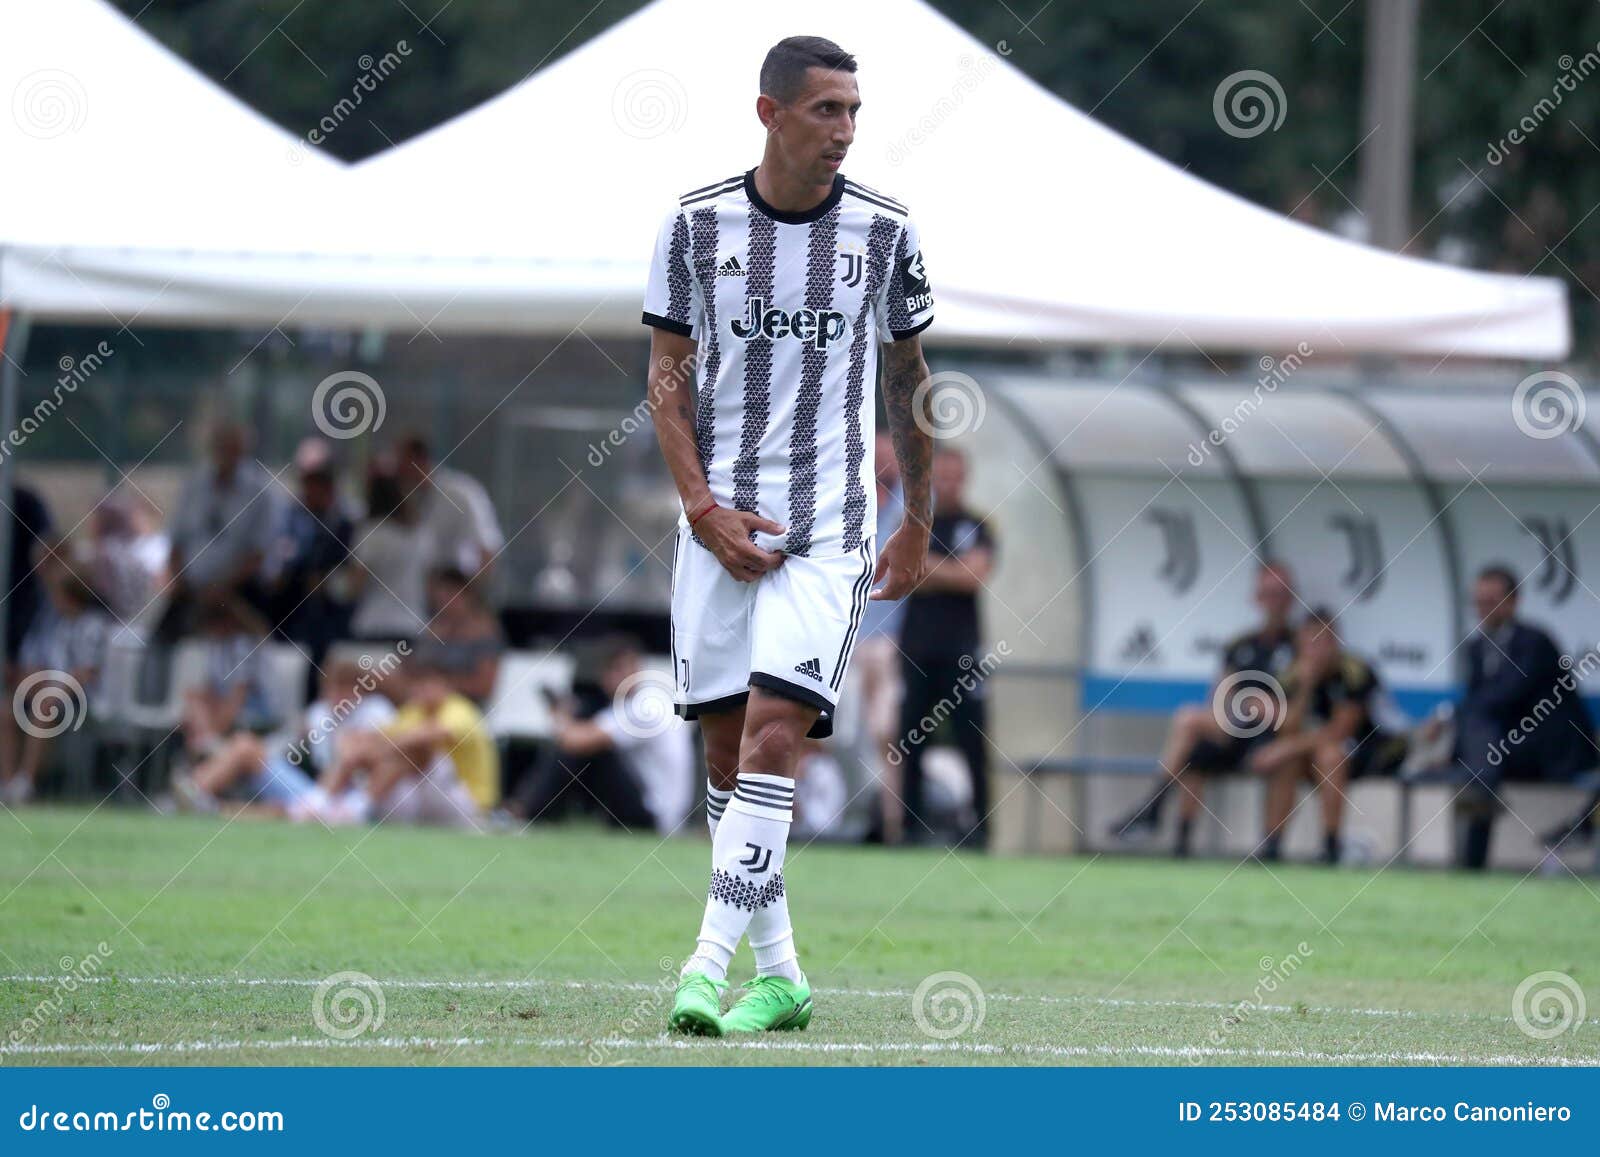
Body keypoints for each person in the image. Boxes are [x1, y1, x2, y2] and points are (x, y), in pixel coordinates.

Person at [643, 35, 936, 1036]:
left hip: (831, 528)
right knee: (727, 760)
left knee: (777, 734)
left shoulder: (886, 231)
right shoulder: (694, 224)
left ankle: (702, 966)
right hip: (718, 525)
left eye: (854, 110)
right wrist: (701, 509)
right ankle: (785, 976)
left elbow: (909, 383)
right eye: (825, 110)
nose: (845, 130)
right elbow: (665, 382)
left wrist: (918, 522)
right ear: (769, 114)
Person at [1110, 560, 1297, 857]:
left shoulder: (1300, 644)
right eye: (1269, 593)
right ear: (1257, 598)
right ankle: (1180, 842)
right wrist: (1248, 704)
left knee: (1190, 723)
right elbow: (1220, 697)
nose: (1275, 602)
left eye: (1282, 594)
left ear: (1291, 599)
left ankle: (1153, 809)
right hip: (1238, 730)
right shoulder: (1241, 645)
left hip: (1278, 737)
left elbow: (1299, 709)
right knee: (1193, 739)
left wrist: (1271, 710)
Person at [1435, 565, 1594, 869]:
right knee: (1482, 759)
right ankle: (1472, 856)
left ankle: (1471, 862)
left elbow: (1506, 696)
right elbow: (1480, 707)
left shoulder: (1535, 642)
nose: (1482, 609)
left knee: (1481, 756)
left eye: (1491, 600)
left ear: (1513, 602)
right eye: (1478, 601)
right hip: (1503, 749)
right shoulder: (1476, 647)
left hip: (1550, 749)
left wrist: (1449, 716)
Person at [896, 446, 995, 849]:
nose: (949, 483)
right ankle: (909, 829)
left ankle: (981, 830)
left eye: (956, 476)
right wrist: (946, 568)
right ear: (932, 479)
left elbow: (973, 576)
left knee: (972, 739)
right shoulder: (914, 525)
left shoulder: (977, 525)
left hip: (963, 652)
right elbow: (903, 569)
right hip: (916, 649)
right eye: (943, 476)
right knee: (910, 740)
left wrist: (928, 566)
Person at [1249, 608, 1404, 864]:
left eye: (1322, 641)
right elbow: (1288, 728)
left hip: (1374, 749)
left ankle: (1331, 845)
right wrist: (1306, 686)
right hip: (1314, 752)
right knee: (1287, 761)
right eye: (1309, 642)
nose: (1315, 650)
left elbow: (1340, 731)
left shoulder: (1354, 671)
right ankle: (1272, 845)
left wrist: (1284, 749)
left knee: (1329, 755)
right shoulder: (1293, 673)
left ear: (1335, 642)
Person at [509, 635, 694, 834]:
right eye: (616, 670)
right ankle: (527, 811)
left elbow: (575, 742)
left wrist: (558, 715)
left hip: (655, 816)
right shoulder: (646, 700)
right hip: (657, 809)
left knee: (585, 753)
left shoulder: (646, 707)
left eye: (627, 667)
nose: (623, 676)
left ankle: (524, 812)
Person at [173, 659, 397, 816]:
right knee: (245, 745)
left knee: (349, 749)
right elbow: (288, 746)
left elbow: (373, 759)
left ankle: (215, 807)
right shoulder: (319, 712)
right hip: (314, 791)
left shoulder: (377, 711)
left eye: (345, 689)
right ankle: (196, 792)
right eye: (332, 689)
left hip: (348, 799)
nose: (337, 696)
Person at [318, 661, 498, 829]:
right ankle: (325, 801)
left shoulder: (459, 709)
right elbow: (379, 736)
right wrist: (362, 747)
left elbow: (432, 734)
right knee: (394, 757)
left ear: (445, 685)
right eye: (418, 685)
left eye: (429, 684)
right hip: (423, 798)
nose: (423, 691)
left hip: (469, 805)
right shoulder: (414, 710)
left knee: (418, 751)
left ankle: (356, 805)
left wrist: (381, 746)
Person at [2, 553, 113, 804]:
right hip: (54, 693)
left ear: (69, 595)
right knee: (7, 709)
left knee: (44, 705)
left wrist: (52, 686)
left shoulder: (93, 625)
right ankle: (7, 782)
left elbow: (85, 673)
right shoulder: (60, 627)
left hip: (85, 701)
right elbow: (48, 666)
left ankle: (26, 782)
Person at [160, 422, 280, 637]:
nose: (226, 454)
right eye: (221, 446)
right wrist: (180, 581)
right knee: (161, 640)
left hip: (238, 590)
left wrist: (222, 588)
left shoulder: (259, 492)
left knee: (254, 636)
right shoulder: (194, 486)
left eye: (232, 448)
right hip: (191, 589)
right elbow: (176, 542)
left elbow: (258, 553)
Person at [855, 431, 908, 843]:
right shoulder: (849, 499)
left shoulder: (911, 507)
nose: (883, 463)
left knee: (885, 732)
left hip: (891, 640)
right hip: (847, 636)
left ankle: (890, 823)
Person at [179, 595, 279, 762]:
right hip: (225, 705)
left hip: (255, 707)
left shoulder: (245, 645)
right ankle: (208, 746)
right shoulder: (215, 645)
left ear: (224, 621)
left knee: (200, 722)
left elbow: (239, 696)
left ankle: (208, 751)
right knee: (195, 700)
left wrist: (214, 726)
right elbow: (210, 688)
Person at [396, 435, 504, 578]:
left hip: (456, 587)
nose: (397, 470)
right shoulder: (408, 498)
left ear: (418, 461)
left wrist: (471, 595)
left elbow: (487, 549)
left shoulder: (461, 493)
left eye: (401, 463)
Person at [346, 460, 430, 641]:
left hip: (374, 623)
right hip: (413, 624)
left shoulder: (371, 534)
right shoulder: (421, 535)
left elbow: (355, 586)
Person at [415, 567, 504, 704]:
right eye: (440, 599)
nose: (444, 604)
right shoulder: (434, 630)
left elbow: (484, 686)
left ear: (467, 597)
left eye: (450, 596)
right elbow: (417, 670)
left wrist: (444, 685)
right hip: (426, 700)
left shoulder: (484, 633)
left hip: (463, 706)